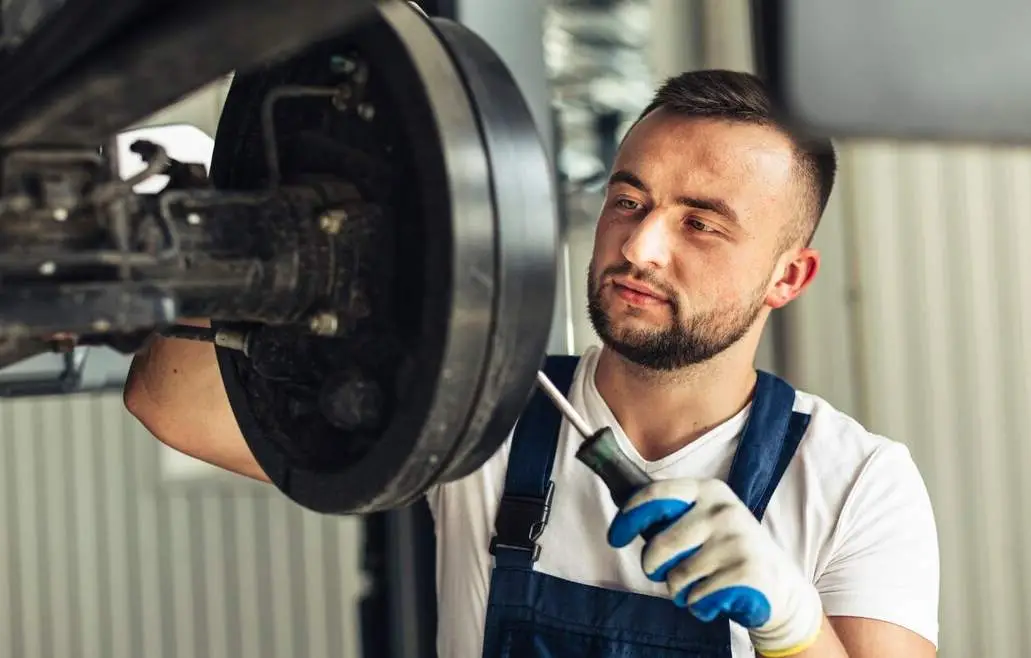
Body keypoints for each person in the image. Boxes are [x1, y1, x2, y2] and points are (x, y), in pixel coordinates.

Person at [124, 69, 939, 658]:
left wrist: (792, 629)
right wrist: (231, 243)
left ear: (786, 277)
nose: (640, 246)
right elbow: (174, 405)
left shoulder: (856, 482)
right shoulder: (483, 401)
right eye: (629, 201)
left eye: (701, 224)